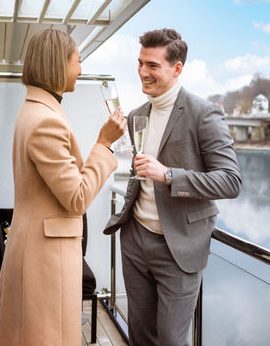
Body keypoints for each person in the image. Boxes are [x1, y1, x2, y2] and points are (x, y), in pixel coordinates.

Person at [0, 29, 126, 345]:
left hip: (38, 249)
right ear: (57, 64)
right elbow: (76, 198)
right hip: (46, 258)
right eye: (77, 61)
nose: (80, 69)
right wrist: (103, 144)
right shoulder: (47, 120)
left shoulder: (36, 111)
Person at [104, 28, 242, 345]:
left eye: (152, 65)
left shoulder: (204, 113)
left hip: (178, 248)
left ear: (176, 68)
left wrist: (169, 175)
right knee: (140, 336)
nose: (142, 72)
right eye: (140, 63)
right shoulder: (138, 115)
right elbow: (140, 174)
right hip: (135, 240)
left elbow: (231, 181)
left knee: (170, 340)